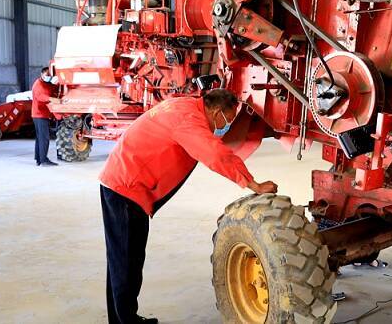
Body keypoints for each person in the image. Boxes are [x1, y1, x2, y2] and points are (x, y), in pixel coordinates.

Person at [98, 89, 278, 324]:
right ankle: (125, 321)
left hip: (124, 184)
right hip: (125, 188)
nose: (226, 126)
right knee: (126, 262)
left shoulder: (186, 106)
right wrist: (253, 183)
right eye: (227, 119)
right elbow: (214, 154)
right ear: (215, 111)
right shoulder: (189, 119)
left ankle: (123, 318)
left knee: (123, 260)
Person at [32, 66, 59, 166]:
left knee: (40, 138)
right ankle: (44, 160)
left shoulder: (47, 84)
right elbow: (40, 97)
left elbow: (54, 88)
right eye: (47, 75)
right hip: (39, 115)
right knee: (44, 138)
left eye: (50, 75)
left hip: (42, 114)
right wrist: (53, 99)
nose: (48, 77)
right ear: (42, 74)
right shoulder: (38, 84)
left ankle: (38, 159)